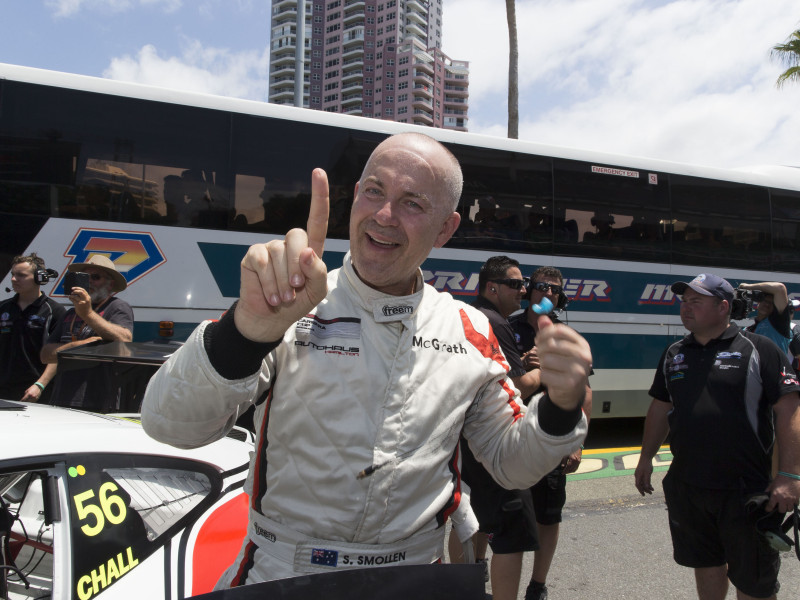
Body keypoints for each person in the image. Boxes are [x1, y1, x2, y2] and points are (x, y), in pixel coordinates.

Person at [141, 133, 592, 587]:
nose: (384, 215)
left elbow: (512, 464)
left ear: (445, 229)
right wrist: (246, 333)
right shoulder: (293, 300)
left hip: (415, 577)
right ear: (355, 196)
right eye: (374, 191)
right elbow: (170, 425)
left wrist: (561, 406)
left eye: (413, 203)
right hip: (281, 573)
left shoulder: (466, 328)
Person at [634, 273, 800, 600]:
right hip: (690, 485)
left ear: (723, 307)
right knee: (706, 563)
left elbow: (790, 411)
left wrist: (790, 475)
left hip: (748, 489)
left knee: (753, 580)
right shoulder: (674, 354)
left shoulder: (760, 349)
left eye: (696, 301)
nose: (686, 308)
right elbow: (660, 407)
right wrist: (645, 457)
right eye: (684, 301)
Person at [452, 255, 543, 600]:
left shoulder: (465, 316)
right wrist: (546, 368)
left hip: (464, 443)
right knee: (512, 534)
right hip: (496, 443)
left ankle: (463, 588)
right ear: (493, 287)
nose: (524, 291)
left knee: (466, 518)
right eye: (517, 284)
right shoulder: (496, 323)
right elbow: (518, 385)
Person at [510, 266, 593, 600]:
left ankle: (537, 584)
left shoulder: (564, 334)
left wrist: (578, 445)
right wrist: (524, 363)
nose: (547, 293)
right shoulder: (507, 326)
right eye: (541, 287)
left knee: (548, 516)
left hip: (552, 440)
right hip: (511, 436)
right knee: (508, 514)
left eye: (554, 290)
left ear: (561, 298)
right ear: (529, 291)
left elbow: (584, 392)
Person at [41, 255, 134, 412]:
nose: (89, 281)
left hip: (100, 400)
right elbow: (45, 355)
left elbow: (125, 340)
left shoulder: (117, 307)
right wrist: (79, 346)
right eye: (85, 277)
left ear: (110, 284)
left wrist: (87, 314)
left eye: (95, 277)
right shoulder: (70, 312)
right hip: (62, 397)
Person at [0, 253, 66, 403]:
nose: (13, 279)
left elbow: (59, 354)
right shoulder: (3, 307)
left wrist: (40, 385)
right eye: (12, 274)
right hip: (3, 388)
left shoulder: (54, 311)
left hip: (35, 391)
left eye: (20, 275)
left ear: (39, 278)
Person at [740, 281, 792, 355]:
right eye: (765, 301)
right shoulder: (747, 329)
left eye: (771, 303)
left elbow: (780, 288)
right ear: (758, 303)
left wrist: (747, 286)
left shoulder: (779, 323)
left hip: (775, 366)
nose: (767, 304)